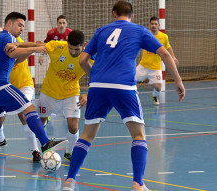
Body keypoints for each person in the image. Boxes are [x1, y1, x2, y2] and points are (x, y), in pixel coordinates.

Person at [62, 1, 185, 191]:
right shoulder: (139, 30)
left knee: (86, 135)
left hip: (98, 86)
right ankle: (138, 183)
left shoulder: (101, 31)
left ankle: (69, 181)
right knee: (138, 135)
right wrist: (178, 81)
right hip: (123, 86)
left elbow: (82, 60)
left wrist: (95, 78)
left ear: (113, 14)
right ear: (132, 16)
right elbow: (165, 55)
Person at [0, 12, 67, 161]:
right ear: (9, 24)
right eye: (19, 25)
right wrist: (36, 49)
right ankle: (45, 143)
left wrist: (36, 45)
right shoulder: (6, 36)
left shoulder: (5, 39)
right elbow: (14, 53)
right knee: (28, 108)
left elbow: (17, 56)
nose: (22, 28)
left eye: (23, 26)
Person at [0, 18, 42, 162]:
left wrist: (34, 48)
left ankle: (36, 150)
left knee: (23, 112)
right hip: (6, 87)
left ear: (4, 28)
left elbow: (17, 56)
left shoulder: (12, 39)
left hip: (24, 83)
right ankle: (0, 140)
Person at [37, 30, 93, 162]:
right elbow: (36, 45)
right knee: (39, 124)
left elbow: (99, 79)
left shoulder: (88, 57)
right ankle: (41, 150)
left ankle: (69, 151)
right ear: (66, 43)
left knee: (73, 128)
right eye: (71, 48)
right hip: (49, 92)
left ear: (83, 45)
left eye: (77, 49)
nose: (73, 52)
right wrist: (16, 45)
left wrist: (87, 95)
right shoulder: (58, 47)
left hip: (71, 93)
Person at [136, 16, 179, 105]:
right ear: (149, 25)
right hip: (143, 66)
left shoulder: (163, 37)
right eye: (152, 24)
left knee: (158, 87)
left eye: (155, 24)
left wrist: (173, 57)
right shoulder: (145, 35)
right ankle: (132, 98)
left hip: (156, 67)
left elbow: (168, 47)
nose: (154, 25)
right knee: (129, 80)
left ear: (159, 25)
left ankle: (154, 96)